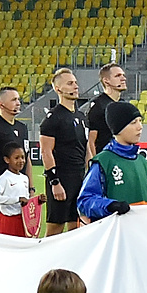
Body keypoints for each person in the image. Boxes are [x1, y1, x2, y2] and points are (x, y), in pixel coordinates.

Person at [77, 101, 147, 219]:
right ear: (118, 128)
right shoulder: (103, 161)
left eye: (140, 121)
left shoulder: (141, 161)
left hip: (141, 229)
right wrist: (110, 206)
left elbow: (144, 196)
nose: (140, 126)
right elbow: (85, 201)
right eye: (133, 122)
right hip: (117, 233)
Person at [38, 67, 87, 236]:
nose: (75, 86)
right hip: (62, 178)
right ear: (58, 89)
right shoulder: (53, 118)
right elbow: (46, 151)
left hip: (79, 177)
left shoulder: (81, 117)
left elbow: (85, 147)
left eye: (75, 83)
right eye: (70, 83)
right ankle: (46, 261)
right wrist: (54, 182)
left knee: (76, 224)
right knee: (56, 227)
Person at [0, 86, 31, 189]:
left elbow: (27, 158)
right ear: (1, 104)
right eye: (13, 100)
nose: (18, 103)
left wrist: (31, 187)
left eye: (18, 99)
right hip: (2, 188)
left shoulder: (22, 127)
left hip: (21, 186)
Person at [85, 62, 129, 159]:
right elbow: (91, 141)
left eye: (123, 75)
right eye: (118, 76)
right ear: (106, 81)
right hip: (106, 161)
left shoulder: (124, 105)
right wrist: (97, 164)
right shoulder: (98, 105)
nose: (123, 78)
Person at [0, 143, 33, 237]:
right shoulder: (4, 178)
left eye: (23, 157)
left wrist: (37, 201)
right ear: (7, 160)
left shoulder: (25, 178)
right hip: (7, 221)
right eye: (16, 158)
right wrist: (16, 199)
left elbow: (25, 201)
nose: (21, 161)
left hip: (22, 220)